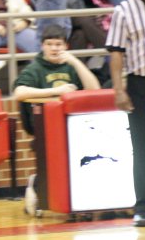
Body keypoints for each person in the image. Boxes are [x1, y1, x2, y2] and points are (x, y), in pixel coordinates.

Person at [14, 23, 100, 215]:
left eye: (58, 44)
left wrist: (76, 62)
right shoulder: (34, 69)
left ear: (66, 46)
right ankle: (37, 185)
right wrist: (56, 91)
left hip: (74, 128)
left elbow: (95, 90)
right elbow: (19, 92)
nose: (54, 48)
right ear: (43, 46)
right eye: (50, 44)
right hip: (45, 129)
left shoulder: (71, 66)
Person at [106, 0, 145, 227]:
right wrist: (119, 89)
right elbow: (116, 55)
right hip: (140, 85)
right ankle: (143, 206)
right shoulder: (124, 10)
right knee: (142, 148)